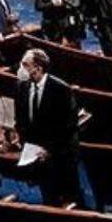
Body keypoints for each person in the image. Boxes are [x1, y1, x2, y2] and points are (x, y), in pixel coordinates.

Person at [14, 48, 82, 206]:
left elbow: (69, 126)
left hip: (60, 153)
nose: (20, 68)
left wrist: (49, 150)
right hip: (35, 153)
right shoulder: (21, 86)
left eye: (25, 64)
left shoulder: (61, 89)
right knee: (49, 196)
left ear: (38, 68)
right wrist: (19, 137)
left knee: (71, 197)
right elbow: (21, 118)